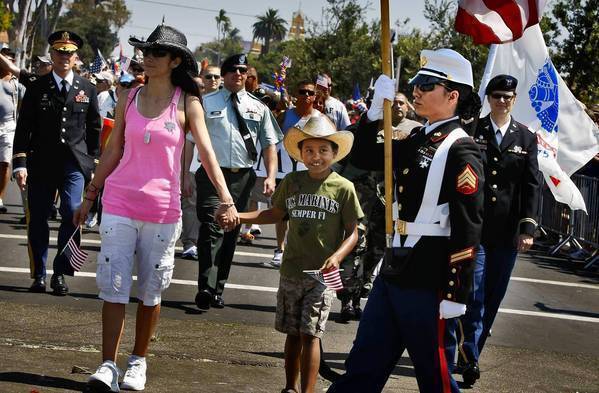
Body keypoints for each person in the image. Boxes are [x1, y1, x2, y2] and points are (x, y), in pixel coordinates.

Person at [73, 24, 238, 392]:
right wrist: (90, 194)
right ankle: (107, 366)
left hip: (163, 210)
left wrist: (226, 199)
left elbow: (208, 154)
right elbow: (113, 149)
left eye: (158, 52)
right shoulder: (128, 96)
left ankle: (138, 361)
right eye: (146, 50)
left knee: (151, 291)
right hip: (118, 202)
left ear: (175, 60)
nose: (148, 57)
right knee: (113, 287)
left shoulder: (187, 101)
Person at [327, 48, 485, 393]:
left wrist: (457, 292)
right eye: (416, 83)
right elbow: (365, 155)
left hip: (429, 280)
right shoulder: (418, 137)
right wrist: (371, 116)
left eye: (427, 85)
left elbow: (467, 226)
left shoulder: (462, 148)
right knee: (362, 367)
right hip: (394, 270)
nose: (416, 90)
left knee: (436, 380)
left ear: (453, 95)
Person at [222, 111, 362, 393]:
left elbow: (354, 232)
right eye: (309, 150)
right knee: (292, 333)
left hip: (322, 274)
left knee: (311, 334)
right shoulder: (292, 182)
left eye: (323, 150)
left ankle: (307, 391)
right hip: (291, 269)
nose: (316, 156)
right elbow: (274, 214)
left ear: (335, 153)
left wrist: (337, 257)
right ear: (300, 153)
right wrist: (240, 216)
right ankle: (290, 387)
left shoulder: (344, 187)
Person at [446, 74, 541, 386]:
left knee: (493, 296)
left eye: (508, 97)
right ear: (488, 98)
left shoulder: (526, 138)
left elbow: (531, 187)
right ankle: (469, 358)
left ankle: (471, 352)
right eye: (497, 95)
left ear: (514, 100)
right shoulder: (473, 130)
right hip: (475, 228)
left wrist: (527, 228)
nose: (502, 101)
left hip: (507, 232)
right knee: (472, 292)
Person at [12, 31, 101, 294]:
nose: (64, 57)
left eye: (69, 53)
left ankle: (60, 272)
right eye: (59, 52)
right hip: (41, 163)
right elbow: (24, 128)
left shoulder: (87, 89)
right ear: (51, 55)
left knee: (74, 212)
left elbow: (94, 128)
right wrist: (20, 163)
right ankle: (39, 274)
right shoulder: (37, 87)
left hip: (73, 165)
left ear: (76, 58)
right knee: (38, 217)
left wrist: (93, 163)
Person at [194, 53, 283, 311]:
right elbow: (191, 142)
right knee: (212, 226)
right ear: (224, 74)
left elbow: (269, 145)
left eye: (242, 70)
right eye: (232, 70)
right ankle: (204, 287)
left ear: (247, 75)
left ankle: (218, 288)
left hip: (243, 177)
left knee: (232, 229)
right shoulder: (206, 101)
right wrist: (183, 175)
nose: (238, 74)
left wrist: (270, 175)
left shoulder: (259, 107)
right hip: (212, 174)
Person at [335, 91, 423, 322]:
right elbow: (339, 166)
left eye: (400, 103)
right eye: (390, 103)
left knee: (376, 251)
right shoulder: (359, 132)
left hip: (386, 204)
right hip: (358, 201)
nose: (396, 107)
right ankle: (348, 300)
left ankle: (361, 289)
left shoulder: (408, 136)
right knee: (355, 247)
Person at [0, 46, 23, 214]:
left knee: (5, 163)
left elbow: (24, 104)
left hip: (8, 126)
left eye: (10, 59)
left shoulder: (17, 83)